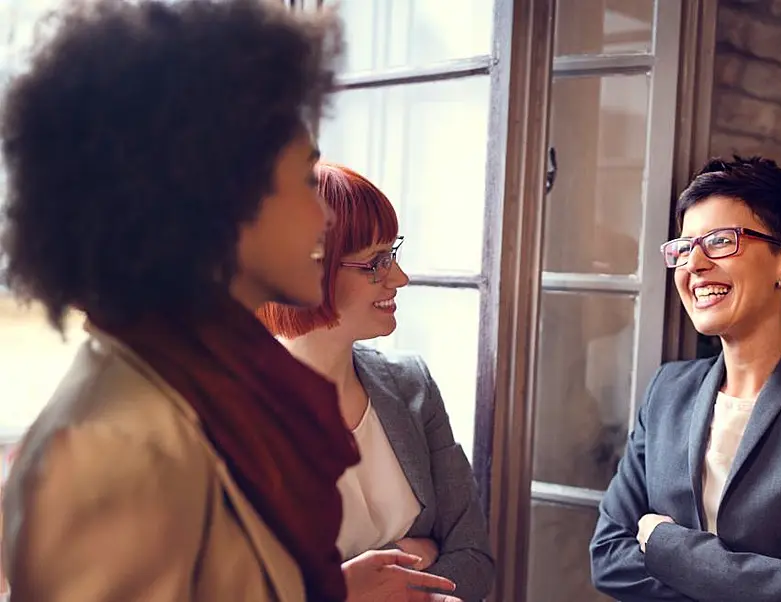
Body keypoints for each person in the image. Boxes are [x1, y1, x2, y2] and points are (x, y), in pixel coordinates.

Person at [0, 2, 455, 601]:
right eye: (302, 182)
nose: (323, 219)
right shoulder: (111, 448)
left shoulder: (219, 384)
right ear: (211, 201)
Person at [590, 157, 781, 601]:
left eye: (719, 241)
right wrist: (775, 577)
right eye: (684, 246)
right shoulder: (667, 391)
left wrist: (663, 542)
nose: (693, 263)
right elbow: (608, 559)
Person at [257, 162, 495, 602]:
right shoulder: (226, 409)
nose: (399, 278)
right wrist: (396, 562)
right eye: (375, 263)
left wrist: (387, 585)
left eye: (393, 254)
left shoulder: (411, 385)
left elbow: (475, 560)